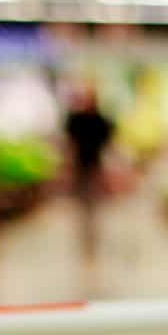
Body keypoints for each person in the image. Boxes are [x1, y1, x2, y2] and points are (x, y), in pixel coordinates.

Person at [64, 86, 116, 256]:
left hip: (95, 166)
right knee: (83, 205)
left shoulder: (101, 120)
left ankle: (91, 235)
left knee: (93, 205)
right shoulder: (76, 120)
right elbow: (69, 144)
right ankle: (86, 235)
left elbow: (108, 144)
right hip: (81, 167)